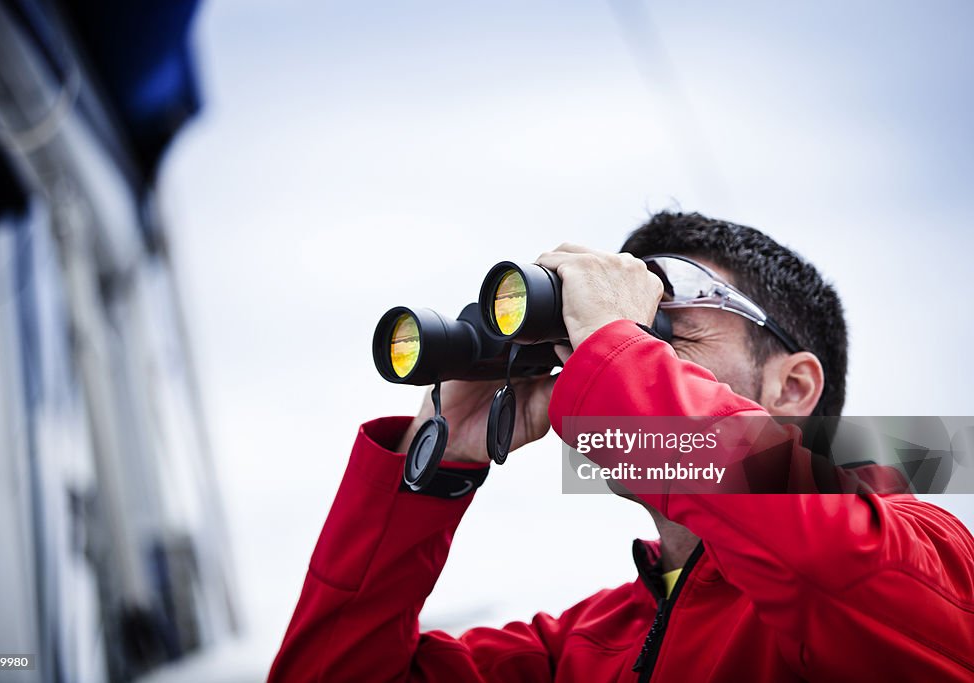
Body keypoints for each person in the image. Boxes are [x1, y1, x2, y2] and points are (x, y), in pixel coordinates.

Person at [268, 212, 974, 682]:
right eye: (603, 334)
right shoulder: (581, 649)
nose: (602, 357)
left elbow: (815, 556)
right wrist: (438, 459)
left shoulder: (922, 553)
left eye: (664, 329)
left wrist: (615, 349)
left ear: (792, 386)